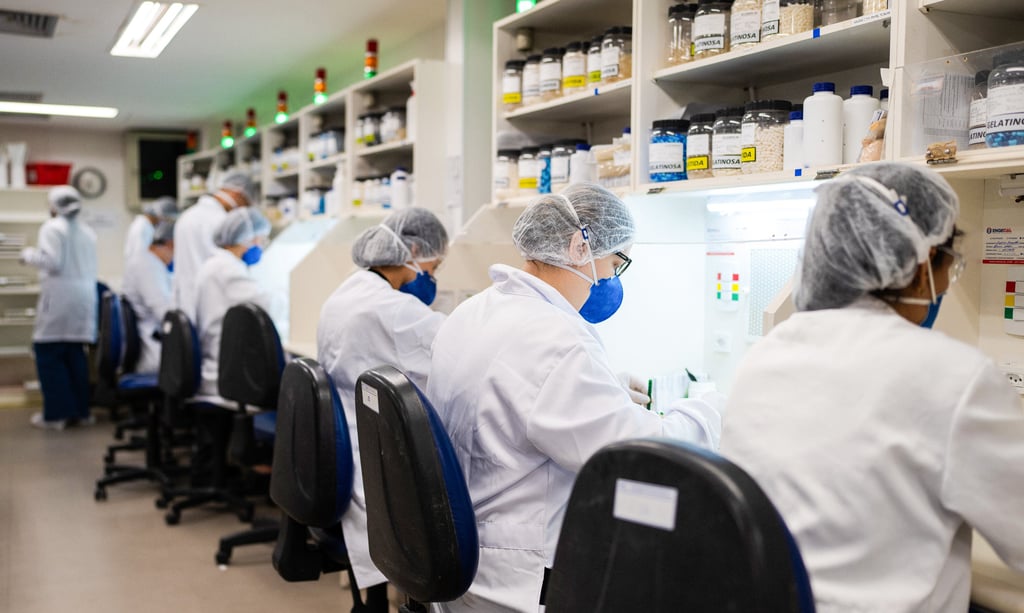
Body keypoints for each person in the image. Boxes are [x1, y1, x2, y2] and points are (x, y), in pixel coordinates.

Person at [720, 163, 1024, 613]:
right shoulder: (953, 375)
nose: (944, 285)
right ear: (919, 266)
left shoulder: (764, 356)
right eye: (947, 265)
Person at [427, 184, 723, 612]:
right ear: (579, 246)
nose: (611, 280)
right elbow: (636, 456)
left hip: (466, 561)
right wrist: (711, 410)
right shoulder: (558, 340)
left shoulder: (476, 311)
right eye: (615, 263)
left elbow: (513, 393)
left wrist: (605, 387)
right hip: (517, 579)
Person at [317, 208, 449, 610]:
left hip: (345, 454)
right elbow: (454, 353)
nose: (432, 276)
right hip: (376, 465)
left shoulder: (345, 294)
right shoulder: (394, 310)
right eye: (434, 266)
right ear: (413, 252)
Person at [20, 186, 98, 430]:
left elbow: (53, 262)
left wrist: (28, 255)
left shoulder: (52, 228)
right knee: (75, 355)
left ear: (54, 205)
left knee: (48, 353)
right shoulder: (87, 231)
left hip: (60, 298)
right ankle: (81, 412)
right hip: (84, 298)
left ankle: (57, 415)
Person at [194, 208, 273, 405]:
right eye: (261, 240)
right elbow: (264, 307)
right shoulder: (227, 268)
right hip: (225, 374)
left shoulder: (215, 264)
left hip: (216, 363)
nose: (260, 246)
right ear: (246, 239)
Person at [173, 170, 254, 321]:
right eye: (245, 204)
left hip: (185, 303)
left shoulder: (187, 216)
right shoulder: (221, 221)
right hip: (210, 306)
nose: (242, 211)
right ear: (238, 194)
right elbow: (226, 265)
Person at [121, 220, 174, 374]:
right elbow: (164, 313)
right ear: (171, 244)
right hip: (154, 350)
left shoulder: (150, 263)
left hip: (152, 339)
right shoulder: (147, 266)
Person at [124, 195, 177, 261]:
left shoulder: (144, 224)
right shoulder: (142, 227)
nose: (164, 222)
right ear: (161, 215)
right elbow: (141, 254)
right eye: (166, 219)